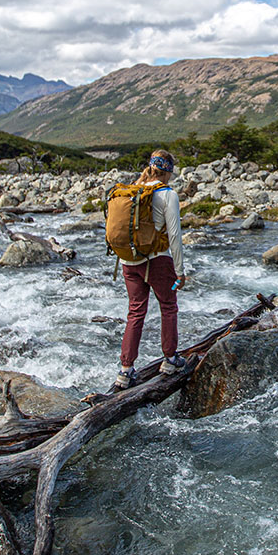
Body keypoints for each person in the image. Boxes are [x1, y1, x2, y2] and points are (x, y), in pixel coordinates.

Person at [116, 149, 186, 389]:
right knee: (168, 306)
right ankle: (170, 359)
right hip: (157, 261)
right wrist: (180, 271)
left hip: (129, 262)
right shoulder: (168, 194)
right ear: (168, 172)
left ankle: (125, 371)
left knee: (135, 312)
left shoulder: (134, 190)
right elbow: (175, 236)